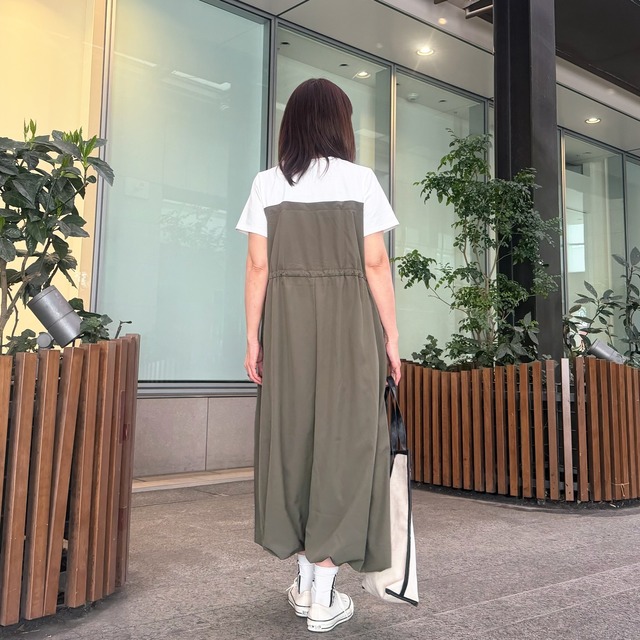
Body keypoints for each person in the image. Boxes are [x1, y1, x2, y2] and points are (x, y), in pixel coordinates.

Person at [236, 78, 401, 634]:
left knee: (295, 444)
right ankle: (324, 596)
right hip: (350, 326)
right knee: (346, 445)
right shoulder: (361, 181)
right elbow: (375, 263)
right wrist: (392, 337)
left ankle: (307, 584)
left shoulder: (267, 183)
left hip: (288, 328)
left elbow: (257, 266)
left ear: (293, 125)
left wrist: (253, 336)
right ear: (339, 124)